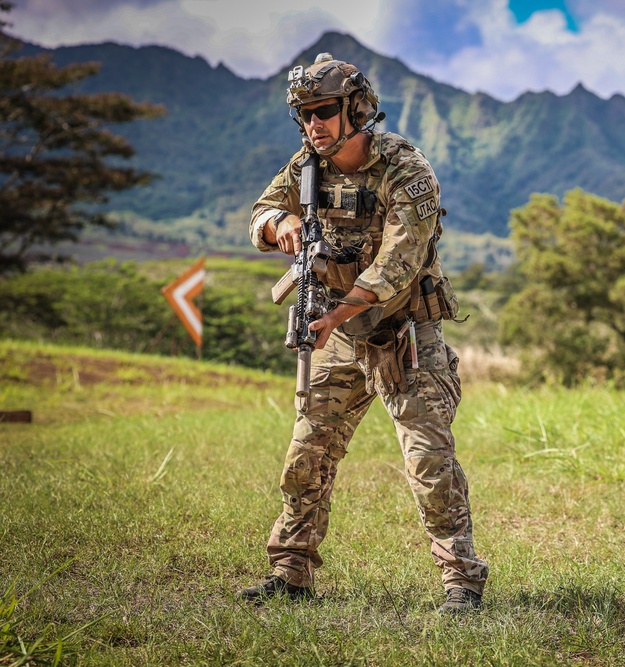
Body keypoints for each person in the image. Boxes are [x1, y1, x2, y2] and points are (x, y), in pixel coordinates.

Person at [238, 53, 488, 612]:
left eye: (323, 111)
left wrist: (335, 313)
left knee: (429, 460)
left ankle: (461, 582)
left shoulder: (406, 168)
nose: (312, 125)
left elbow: (400, 261)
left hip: (403, 335)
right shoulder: (307, 165)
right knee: (308, 451)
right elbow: (259, 212)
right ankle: (291, 573)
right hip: (339, 335)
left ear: (356, 108)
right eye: (303, 115)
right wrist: (281, 224)